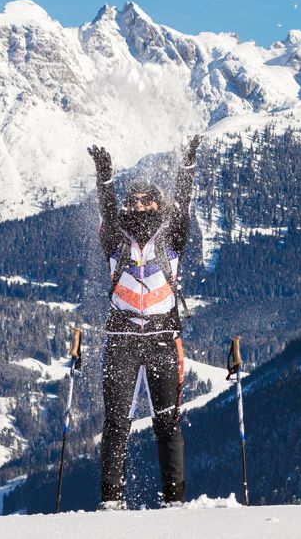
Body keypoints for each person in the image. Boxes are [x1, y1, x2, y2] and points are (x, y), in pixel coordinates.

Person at [87, 137, 200, 509]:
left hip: (163, 338)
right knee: (116, 423)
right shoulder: (114, 240)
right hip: (120, 338)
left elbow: (183, 205)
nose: (137, 206)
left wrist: (186, 167)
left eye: (144, 200)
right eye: (131, 201)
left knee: (168, 424)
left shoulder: (172, 235)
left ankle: (175, 501)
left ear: (158, 204)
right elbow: (105, 208)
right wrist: (105, 178)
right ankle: (111, 501)